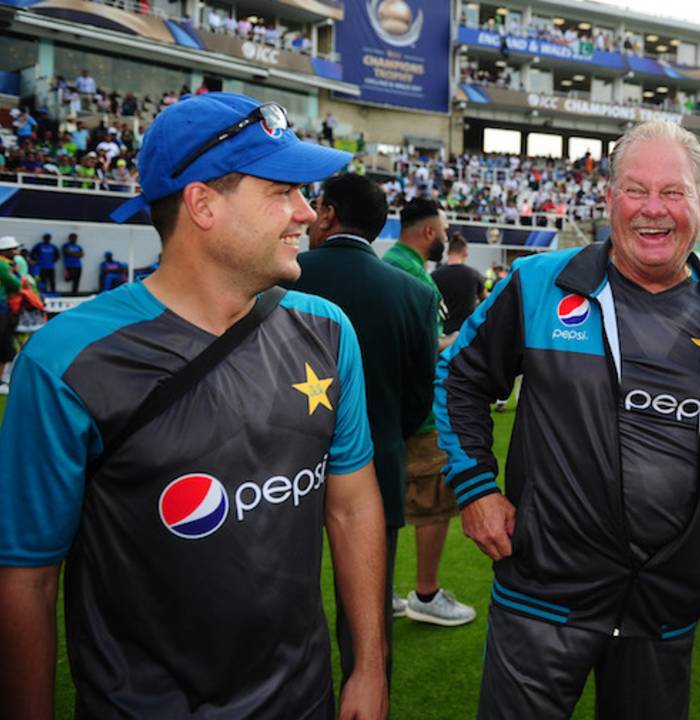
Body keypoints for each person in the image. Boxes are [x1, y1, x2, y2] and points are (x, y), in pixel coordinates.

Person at [0, 92, 388, 719]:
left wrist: (369, 668)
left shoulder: (328, 330)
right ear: (202, 203)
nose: (306, 212)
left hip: (304, 700)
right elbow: (26, 577)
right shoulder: (66, 360)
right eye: (281, 190)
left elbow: (352, 506)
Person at [436, 120, 700, 719]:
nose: (652, 210)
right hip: (543, 594)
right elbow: (458, 377)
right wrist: (477, 489)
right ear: (609, 198)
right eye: (635, 190)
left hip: (663, 606)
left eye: (672, 193)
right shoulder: (539, 284)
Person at [290, 172, 440, 686]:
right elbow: (420, 396)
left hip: (284, 464)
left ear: (328, 213)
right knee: (368, 613)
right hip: (379, 460)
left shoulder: (288, 273)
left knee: (281, 600)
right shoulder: (413, 293)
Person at [383, 199, 477, 626]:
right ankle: (426, 593)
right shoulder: (410, 276)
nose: (445, 235)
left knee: (384, 503)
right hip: (416, 413)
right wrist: (450, 342)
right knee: (435, 501)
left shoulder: (398, 267)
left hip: (391, 409)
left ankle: (383, 592)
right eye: (443, 228)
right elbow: (419, 346)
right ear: (427, 233)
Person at [432, 233, 488, 336]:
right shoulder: (474, 275)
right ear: (465, 252)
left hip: (442, 334)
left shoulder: (434, 276)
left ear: (448, 252)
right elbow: (488, 302)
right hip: (467, 335)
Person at [0, 235, 20, 394]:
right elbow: (15, 285)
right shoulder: (3, 266)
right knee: (4, 342)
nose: (16, 252)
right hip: (2, 307)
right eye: (13, 249)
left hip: (4, 307)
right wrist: (16, 274)